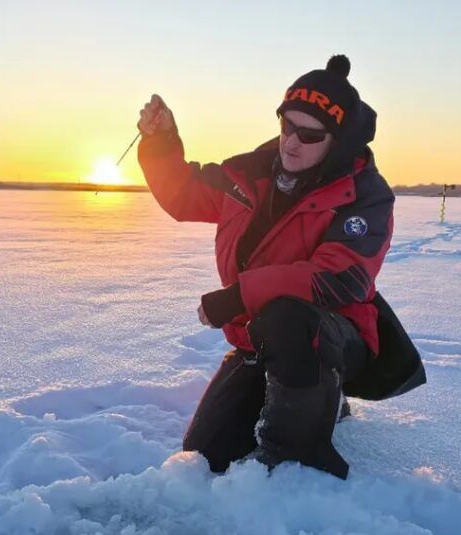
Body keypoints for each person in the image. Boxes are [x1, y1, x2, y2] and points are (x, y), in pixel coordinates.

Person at [137, 55, 425, 480]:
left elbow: (338, 277)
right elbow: (184, 195)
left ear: (339, 141)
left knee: (289, 316)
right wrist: (162, 142)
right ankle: (313, 399)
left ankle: (295, 465)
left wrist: (239, 295)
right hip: (259, 340)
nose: (291, 142)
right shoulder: (247, 175)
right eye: (286, 125)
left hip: (333, 337)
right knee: (207, 454)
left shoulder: (365, 196)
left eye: (309, 134)